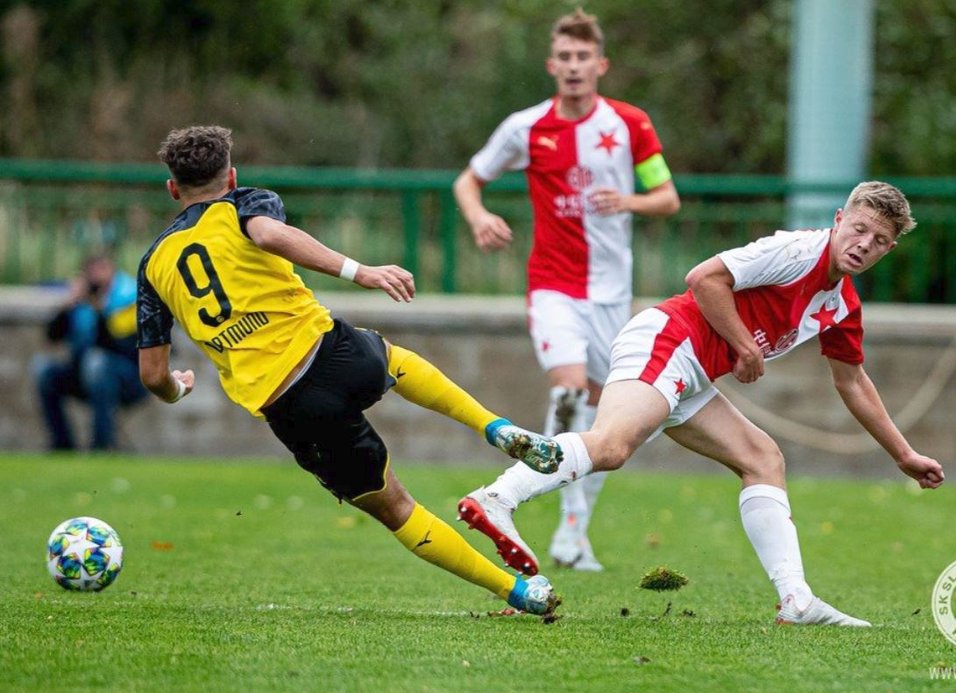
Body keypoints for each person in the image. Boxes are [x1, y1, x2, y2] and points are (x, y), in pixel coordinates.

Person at [458, 181, 946, 626]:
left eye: (879, 241)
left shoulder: (841, 304)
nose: (864, 245)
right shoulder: (798, 251)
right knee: (610, 447)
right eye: (859, 229)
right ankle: (498, 496)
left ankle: (796, 599)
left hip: (693, 374)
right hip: (669, 340)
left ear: (890, 248)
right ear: (840, 219)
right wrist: (746, 347)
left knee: (762, 459)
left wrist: (903, 454)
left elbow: (853, 381)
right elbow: (705, 278)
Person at [137, 125, 563, 616]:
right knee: (392, 361)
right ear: (230, 176)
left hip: (290, 406)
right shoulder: (245, 203)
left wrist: (177, 389)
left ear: (172, 188)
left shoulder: (152, 265)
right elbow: (271, 234)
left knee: (398, 509)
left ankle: (517, 591)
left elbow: (153, 375)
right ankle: (495, 426)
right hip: (329, 351)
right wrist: (359, 272)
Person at [453, 8, 680, 572]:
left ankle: (572, 528)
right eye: (566, 58)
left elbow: (668, 198)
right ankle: (537, 511)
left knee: (623, 421)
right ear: (552, 65)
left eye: (585, 58)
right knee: (569, 394)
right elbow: (468, 180)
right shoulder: (526, 127)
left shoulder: (629, 124)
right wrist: (479, 216)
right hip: (553, 287)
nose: (575, 68)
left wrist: (628, 200)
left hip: (612, 296)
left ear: (600, 65)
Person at [33, 253, 147, 451]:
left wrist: (99, 309)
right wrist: (69, 305)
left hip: (129, 377)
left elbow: (120, 344)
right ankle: (62, 445)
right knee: (43, 369)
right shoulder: (81, 302)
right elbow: (52, 336)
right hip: (84, 376)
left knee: (96, 362)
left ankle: (102, 446)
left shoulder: (130, 297)